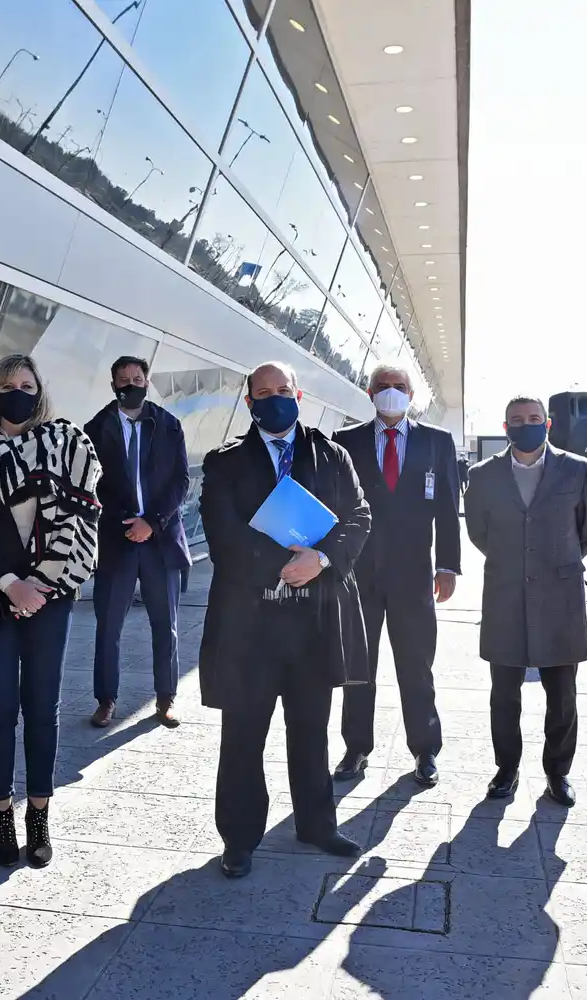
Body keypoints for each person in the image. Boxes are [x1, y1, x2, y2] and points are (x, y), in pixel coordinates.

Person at [199, 361, 372, 879]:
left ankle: (317, 824)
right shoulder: (225, 461)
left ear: (298, 395)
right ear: (249, 403)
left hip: (314, 620)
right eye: (263, 393)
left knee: (310, 728)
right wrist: (282, 563)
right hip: (250, 624)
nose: (275, 399)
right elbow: (223, 533)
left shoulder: (331, 453)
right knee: (243, 733)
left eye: (283, 390)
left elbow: (359, 516)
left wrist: (318, 560)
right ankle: (239, 838)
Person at [0, 354, 102, 869]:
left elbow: (82, 517)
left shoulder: (65, 443)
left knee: (42, 706)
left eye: (27, 384)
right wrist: (11, 583)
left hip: (48, 597)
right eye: (8, 385)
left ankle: (39, 813)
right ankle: (0, 813)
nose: (18, 392)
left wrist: (42, 581)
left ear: (40, 391)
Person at [464, 395, 587, 807]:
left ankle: (557, 773)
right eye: (516, 420)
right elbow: (478, 531)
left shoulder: (578, 471)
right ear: (505, 426)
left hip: (560, 597)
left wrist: (555, 560)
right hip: (505, 595)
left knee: (562, 695)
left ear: (547, 424)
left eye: (533, 419)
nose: (525, 424)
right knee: (503, 694)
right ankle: (506, 769)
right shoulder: (483, 474)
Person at [331, 364, 461, 787]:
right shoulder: (345, 442)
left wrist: (447, 566)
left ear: (412, 394)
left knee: (417, 666)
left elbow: (447, 510)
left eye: (399, 387)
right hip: (358, 575)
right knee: (357, 666)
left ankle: (425, 750)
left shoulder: (437, 443)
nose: (392, 393)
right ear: (369, 393)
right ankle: (356, 748)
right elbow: (336, 508)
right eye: (383, 387)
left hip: (414, 576)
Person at [84, 356, 192, 728]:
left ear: (147, 381)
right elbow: (90, 485)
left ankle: (166, 698)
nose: (131, 383)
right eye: (124, 379)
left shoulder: (168, 425)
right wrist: (126, 522)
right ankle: (106, 700)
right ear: (113, 385)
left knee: (166, 625)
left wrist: (153, 521)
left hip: (161, 540)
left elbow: (181, 481)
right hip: (117, 540)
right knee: (108, 626)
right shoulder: (96, 429)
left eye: (138, 377)